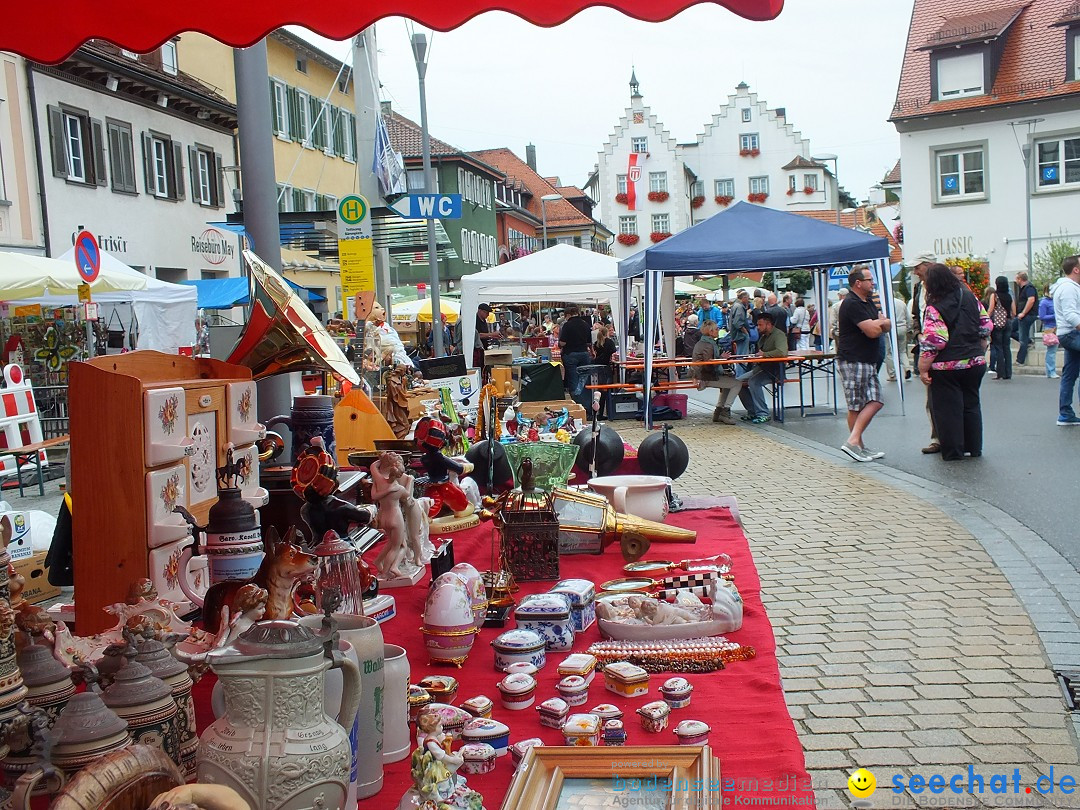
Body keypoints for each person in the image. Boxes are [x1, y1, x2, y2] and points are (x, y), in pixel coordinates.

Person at [915, 263, 991, 460]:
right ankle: (974, 447)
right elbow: (986, 325)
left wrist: (923, 368)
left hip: (947, 365)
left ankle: (953, 451)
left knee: (948, 410)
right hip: (974, 361)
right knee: (971, 405)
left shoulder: (934, 306)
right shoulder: (969, 296)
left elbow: (936, 340)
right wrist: (978, 349)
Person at [837, 264, 891, 462]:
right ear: (858, 283)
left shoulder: (868, 302)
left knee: (876, 400)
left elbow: (886, 324)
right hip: (853, 360)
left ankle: (855, 442)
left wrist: (879, 324)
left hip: (868, 359)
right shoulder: (851, 303)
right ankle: (855, 444)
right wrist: (878, 324)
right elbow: (873, 330)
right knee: (856, 406)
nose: (873, 283)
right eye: (869, 280)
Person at [909, 252, 941, 454]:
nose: (915, 272)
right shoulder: (918, 288)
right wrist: (918, 333)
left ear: (928, 265)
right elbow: (916, 314)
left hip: (943, 345)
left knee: (944, 395)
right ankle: (937, 437)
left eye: (917, 267)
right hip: (925, 344)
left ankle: (952, 437)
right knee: (931, 396)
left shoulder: (943, 286)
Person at [736, 311, 787, 424]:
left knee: (754, 382)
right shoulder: (764, 337)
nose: (758, 327)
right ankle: (753, 411)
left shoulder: (779, 335)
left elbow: (782, 352)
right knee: (737, 382)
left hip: (774, 371)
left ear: (768, 324)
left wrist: (764, 354)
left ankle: (763, 413)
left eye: (760, 325)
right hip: (761, 368)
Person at [692, 320, 742, 425]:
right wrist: (721, 359)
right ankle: (725, 411)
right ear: (710, 332)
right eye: (716, 329)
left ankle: (719, 412)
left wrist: (720, 359)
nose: (718, 330)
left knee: (729, 383)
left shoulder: (703, 343)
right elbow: (709, 365)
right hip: (706, 377)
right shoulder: (709, 345)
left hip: (702, 375)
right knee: (737, 384)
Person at [1052, 255, 1080, 426]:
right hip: (1072, 334)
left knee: (1069, 374)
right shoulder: (1069, 288)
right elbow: (1071, 315)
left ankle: (1065, 414)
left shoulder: (1067, 287)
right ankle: (1065, 413)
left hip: (1067, 334)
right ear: (1076, 269)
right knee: (1070, 375)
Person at [558, 304, 593, 411]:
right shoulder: (585, 324)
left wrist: (560, 344)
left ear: (568, 315)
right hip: (584, 353)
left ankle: (578, 406)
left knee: (574, 380)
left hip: (571, 354)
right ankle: (587, 406)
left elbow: (563, 343)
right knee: (584, 380)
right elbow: (589, 342)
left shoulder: (567, 325)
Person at [986, 276, 1015, 380]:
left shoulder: (994, 295)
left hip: (997, 323)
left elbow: (990, 310)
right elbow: (1014, 312)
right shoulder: (1009, 296)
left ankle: (1000, 372)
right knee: (1006, 347)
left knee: (998, 347)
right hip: (1008, 322)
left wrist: (986, 320)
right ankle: (1008, 373)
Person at [461, 302, 503, 369]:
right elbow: (477, 335)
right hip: (477, 350)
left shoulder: (484, 321)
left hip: (484, 349)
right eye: (486, 312)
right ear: (480, 311)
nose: (488, 315)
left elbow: (485, 334)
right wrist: (492, 334)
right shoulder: (475, 321)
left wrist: (493, 336)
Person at [1015, 271, 1038, 365]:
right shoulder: (1024, 288)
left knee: (1022, 338)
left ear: (1020, 279)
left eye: (1016, 278)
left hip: (1027, 315)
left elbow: (1031, 300)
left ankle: (1020, 360)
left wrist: (1023, 313)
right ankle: (1029, 341)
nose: (1016, 281)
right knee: (1011, 330)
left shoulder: (1029, 288)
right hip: (1023, 316)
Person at [885, 297, 911, 381]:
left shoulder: (885, 304)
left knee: (889, 352)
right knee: (902, 351)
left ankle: (892, 374)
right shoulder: (901, 303)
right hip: (902, 328)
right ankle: (907, 368)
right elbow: (909, 317)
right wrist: (908, 328)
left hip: (890, 328)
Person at [1039, 285, 1059, 379]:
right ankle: (1051, 371)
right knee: (1051, 350)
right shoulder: (1044, 302)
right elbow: (1042, 316)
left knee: (1053, 350)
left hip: (1058, 327)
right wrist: (1055, 315)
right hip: (1050, 328)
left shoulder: (1056, 301)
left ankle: (1051, 371)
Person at [729, 289, 751, 355]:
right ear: (744, 298)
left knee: (739, 354)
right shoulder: (739, 307)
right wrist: (745, 332)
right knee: (742, 355)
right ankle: (741, 365)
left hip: (736, 334)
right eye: (747, 298)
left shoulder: (735, 305)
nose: (748, 300)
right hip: (740, 335)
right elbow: (737, 323)